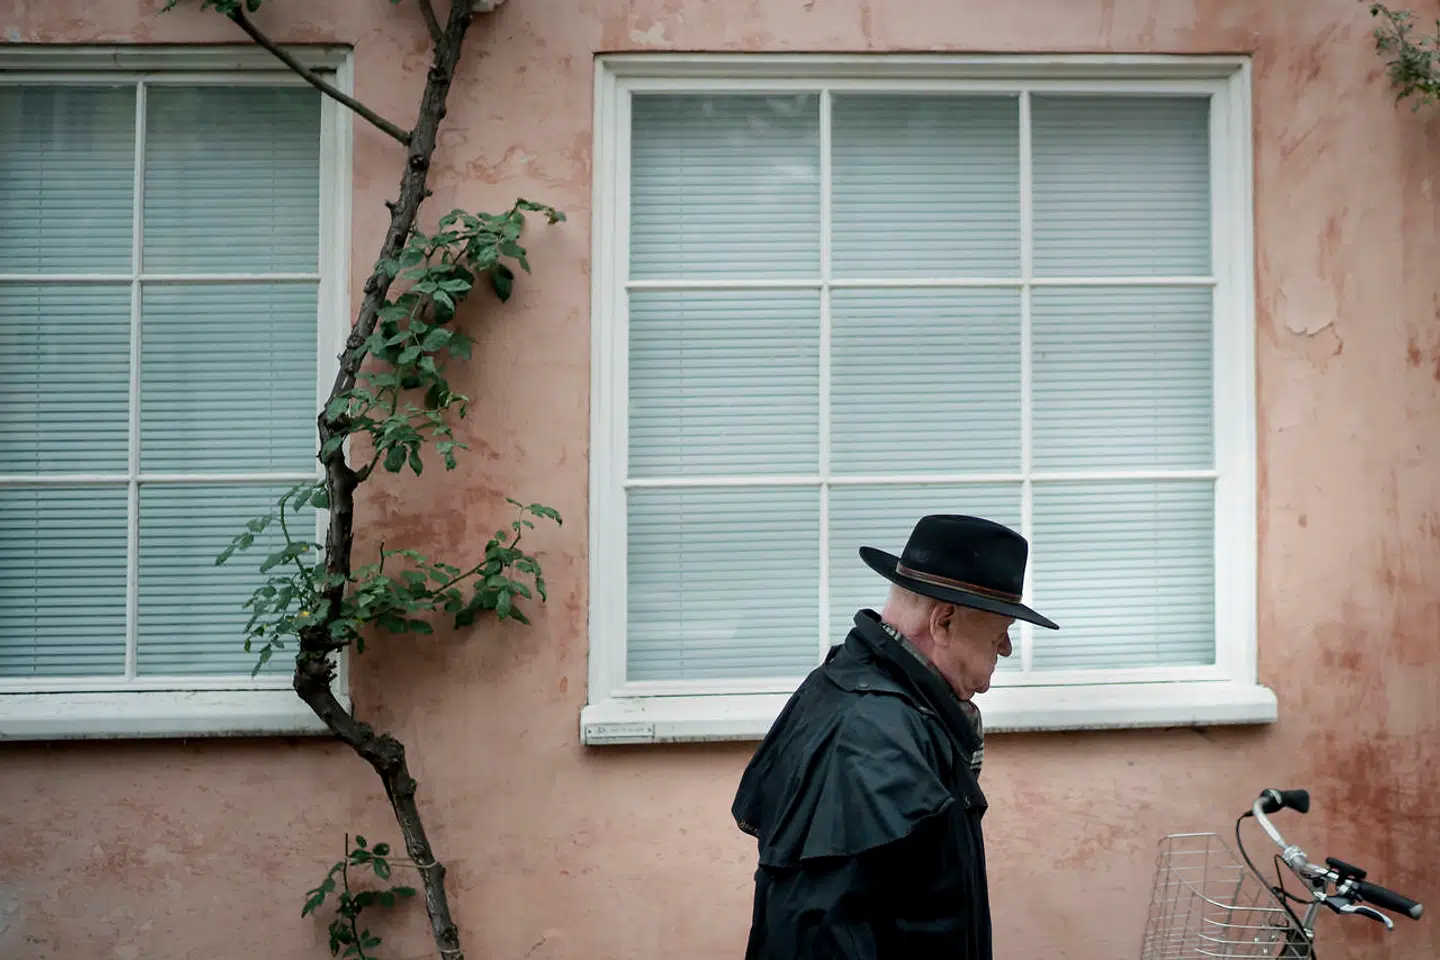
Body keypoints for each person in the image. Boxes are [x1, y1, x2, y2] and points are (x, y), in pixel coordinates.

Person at [731, 514, 1059, 960]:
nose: (1005, 649)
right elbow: (828, 932)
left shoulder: (860, 692)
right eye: (1000, 631)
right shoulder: (871, 733)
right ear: (943, 622)